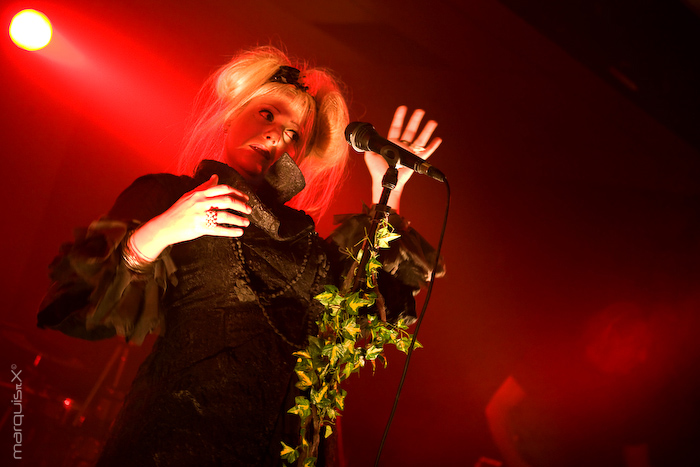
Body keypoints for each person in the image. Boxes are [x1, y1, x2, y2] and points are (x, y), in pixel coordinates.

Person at [37, 46, 444, 466]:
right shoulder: (169, 197)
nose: (275, 136)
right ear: (232, 114)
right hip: (173, 443)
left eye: (293, 134)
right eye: (267, 114)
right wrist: (160, 231)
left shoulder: (307, 248)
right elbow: (79, 302)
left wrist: (388, 184)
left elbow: (375, 305)